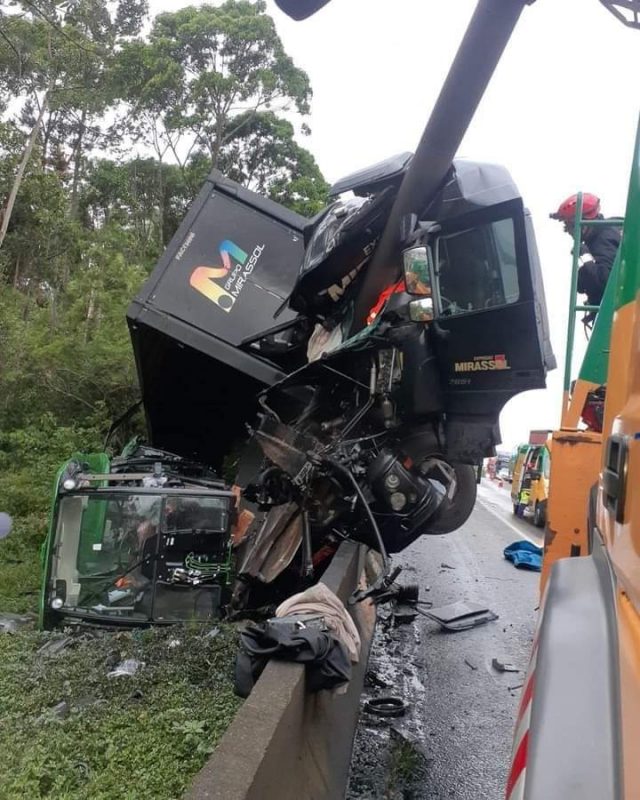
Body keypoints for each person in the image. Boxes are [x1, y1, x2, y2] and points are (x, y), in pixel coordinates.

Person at [550, 193, 621, 311]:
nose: (567, 231)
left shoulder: (603, 239)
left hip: (613, 316)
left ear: (584, 223)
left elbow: (607, 282)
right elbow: (582, 286)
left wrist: (585, 256)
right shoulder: (598, 237)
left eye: (569, 225)